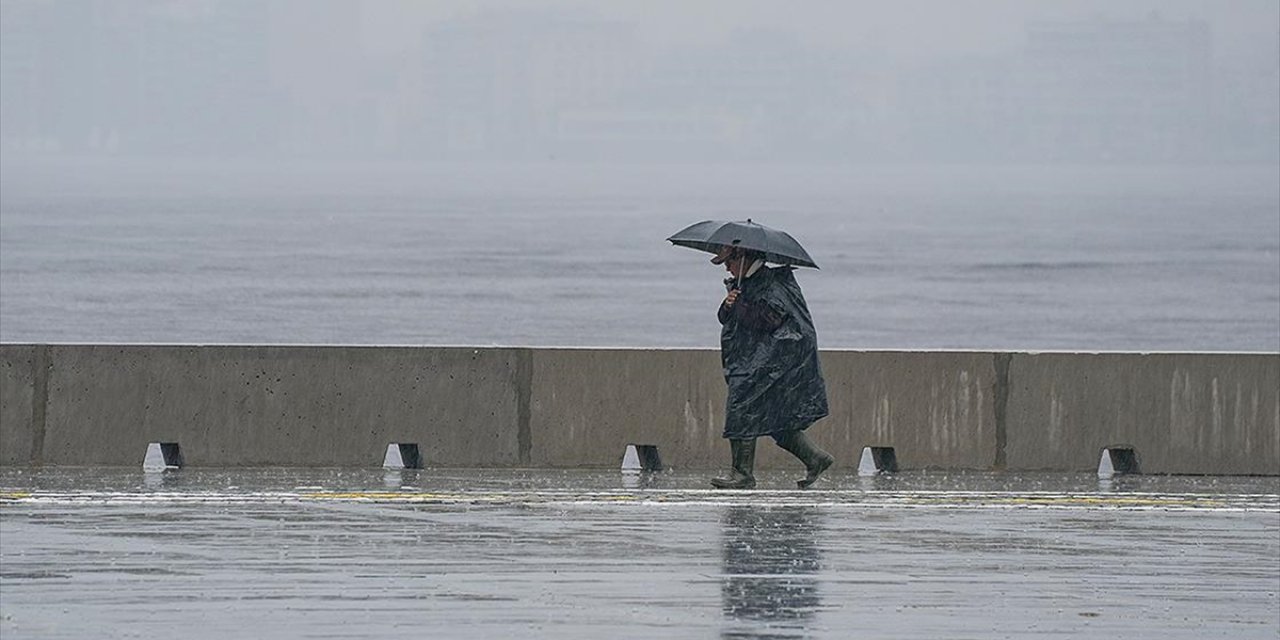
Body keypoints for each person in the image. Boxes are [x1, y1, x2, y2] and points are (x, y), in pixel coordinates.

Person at [709, 244, 834, 489]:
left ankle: (742, 474)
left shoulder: (772, 284)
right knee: (776, 419)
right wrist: (728, 305)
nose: (726, 267)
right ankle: (816, 458)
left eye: (729, 262)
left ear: (743, 258)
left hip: (768, 364)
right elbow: (726, 318)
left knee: (741, 409)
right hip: (749, 361)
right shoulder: (743, 284)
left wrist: (739, 305)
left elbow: (769, 320)